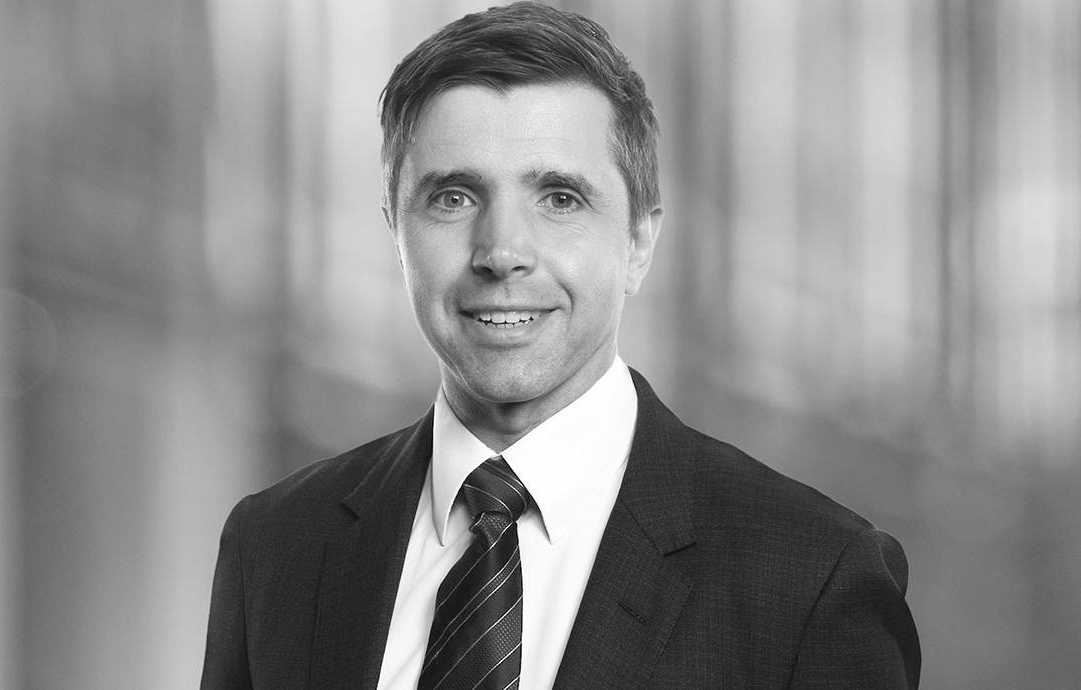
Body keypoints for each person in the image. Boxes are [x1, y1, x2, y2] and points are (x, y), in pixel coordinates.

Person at [200, 3, 922, 689]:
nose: (502, 252)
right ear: (396, 228)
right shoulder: (276, 546)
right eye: (454, 197)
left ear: (639, 242)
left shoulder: (812, 579)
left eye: (559, 199)